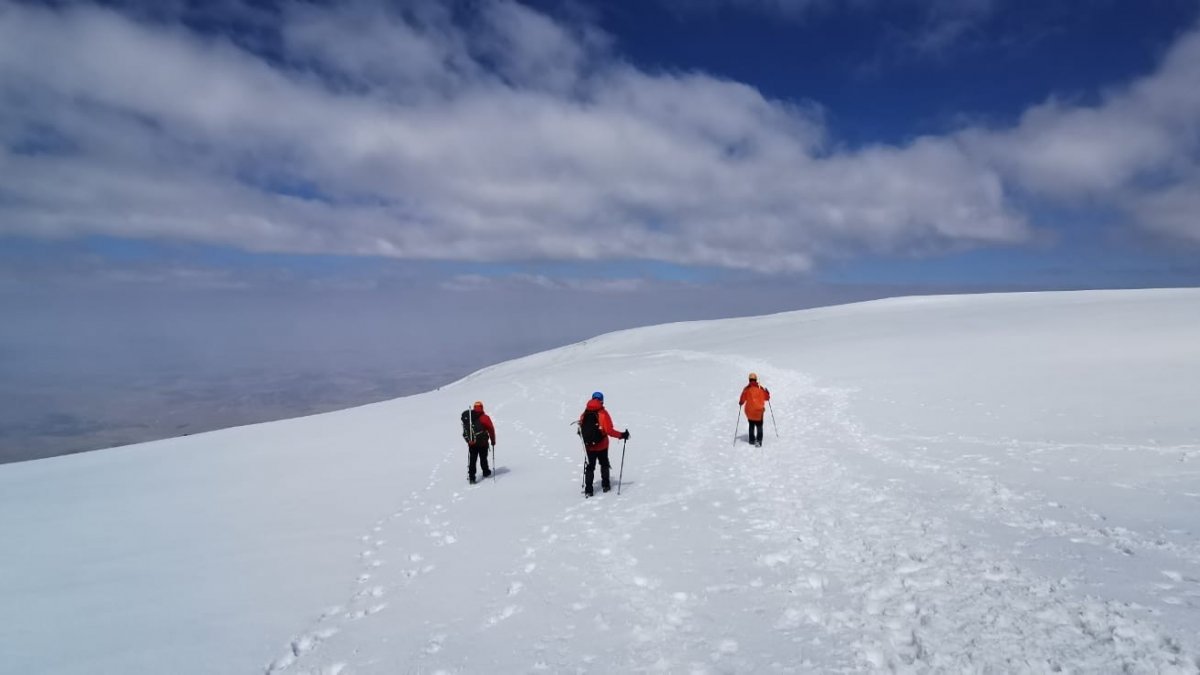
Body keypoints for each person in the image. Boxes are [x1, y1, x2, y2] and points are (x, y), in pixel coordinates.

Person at [578, 391, 629, 497]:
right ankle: (606, 485)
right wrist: (622, 435)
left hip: (589, 446)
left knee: (590, 467)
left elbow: (581, 430)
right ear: (602, 401)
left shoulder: (585, 413)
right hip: (602, 445)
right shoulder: (603, 414)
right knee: (604, 464)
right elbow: (609, 431)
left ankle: (588, 490)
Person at [463, 401, 495, 484]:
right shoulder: (485, 417)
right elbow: (491, 429)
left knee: (472, 460)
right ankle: (486, 472)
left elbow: (465, 432)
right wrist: (493, 441)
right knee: (483, 458)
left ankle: (472, 478)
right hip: (483, 443)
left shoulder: (469, 418)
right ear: (482, 407)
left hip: (472, 443)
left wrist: (469, 441)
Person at [739, 373, 770, 447]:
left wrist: (741, 403)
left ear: (749, 380)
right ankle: (759, 441)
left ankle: (751, 440)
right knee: (759, 426)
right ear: (756, 380)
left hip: (749, 411)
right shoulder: (760, 388)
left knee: (751, 425)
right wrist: (767, 392)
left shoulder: (746, 389)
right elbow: (767, 398)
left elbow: (742, 399)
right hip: (759, 411)